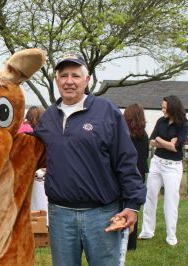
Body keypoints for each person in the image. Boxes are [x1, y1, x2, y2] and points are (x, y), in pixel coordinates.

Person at [34, 53, 146, 265]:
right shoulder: (47, 118)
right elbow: (30, 153)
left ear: (88, 80)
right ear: (56, 80)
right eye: (63, 75)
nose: (69, 81)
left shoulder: (106, 112)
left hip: (101, 213)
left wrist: (132, 205)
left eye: (75, 75)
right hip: (60, 215)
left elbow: (126, 159)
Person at [138, 95, 188, 246]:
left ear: (173, 108)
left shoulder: (184, 124)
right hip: (157, 163)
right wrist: (166, 142)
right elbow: (151, 141)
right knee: (150, 198)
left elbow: (176, 148)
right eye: (162, 107)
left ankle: (171, 236)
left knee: (171, 202)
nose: (162, 110)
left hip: (172, 167)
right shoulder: (161, 121)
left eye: (165, 108)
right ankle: (147, 231)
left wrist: (160, 140)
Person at [123, 103, 149, 250]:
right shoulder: (144, 136)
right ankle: (131, 243)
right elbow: (144, 156)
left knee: (122, 206)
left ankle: (122, 237)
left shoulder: (123, 135)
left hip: (126, 174)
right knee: (134, 208)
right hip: (139, 175)